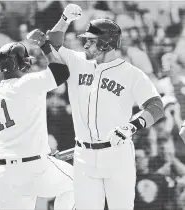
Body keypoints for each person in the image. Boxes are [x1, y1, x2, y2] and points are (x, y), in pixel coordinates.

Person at [27, 4, 164, 210]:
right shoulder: (77, 61)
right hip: (84, 156)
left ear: (106, 43)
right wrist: (65, 19)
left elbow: (156, 106)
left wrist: (132, 126)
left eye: (90, 41)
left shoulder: (131, 74)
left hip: (118, 155)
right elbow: (53, 43)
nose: (85, 44)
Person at [0, 38, 75, 210]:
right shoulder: (26, 83)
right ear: (21, 64)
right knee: (80, 183)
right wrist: (44, 44)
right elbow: (61, 72)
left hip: (4, 175)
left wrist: (44, 154)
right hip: (33, 168)